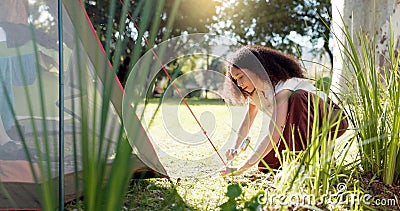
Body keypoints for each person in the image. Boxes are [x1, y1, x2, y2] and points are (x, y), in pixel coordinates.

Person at [220, 45, 348, 176]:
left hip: (333, 120)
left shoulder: (283, 86)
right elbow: (247, 122)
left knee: (298, 97)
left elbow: (274, 133)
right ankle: (312, 159)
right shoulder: (255, 94)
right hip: (303, 128)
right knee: (267, 164)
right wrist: (234, 148)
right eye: (236, 80)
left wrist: (241, 169)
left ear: (255, 69)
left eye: (241, 76)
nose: (239, 84)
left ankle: (309, 161)